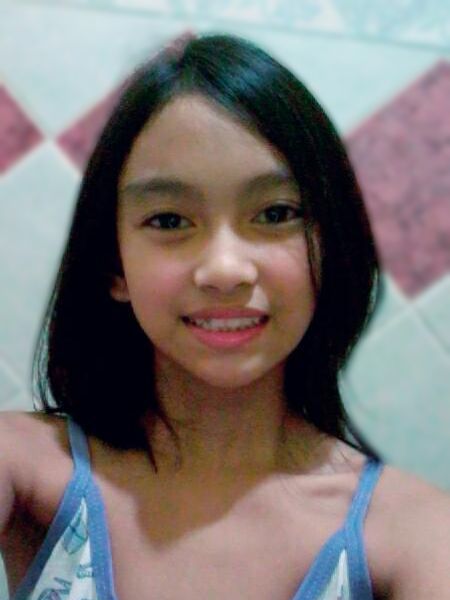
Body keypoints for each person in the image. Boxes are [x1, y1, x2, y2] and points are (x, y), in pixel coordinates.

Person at [0, 31, 449, 600]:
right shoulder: (24, 465)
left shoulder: (416, 534)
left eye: (276, 213)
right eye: (169, 221)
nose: (225, 270)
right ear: (114, 266)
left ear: (331, 247)